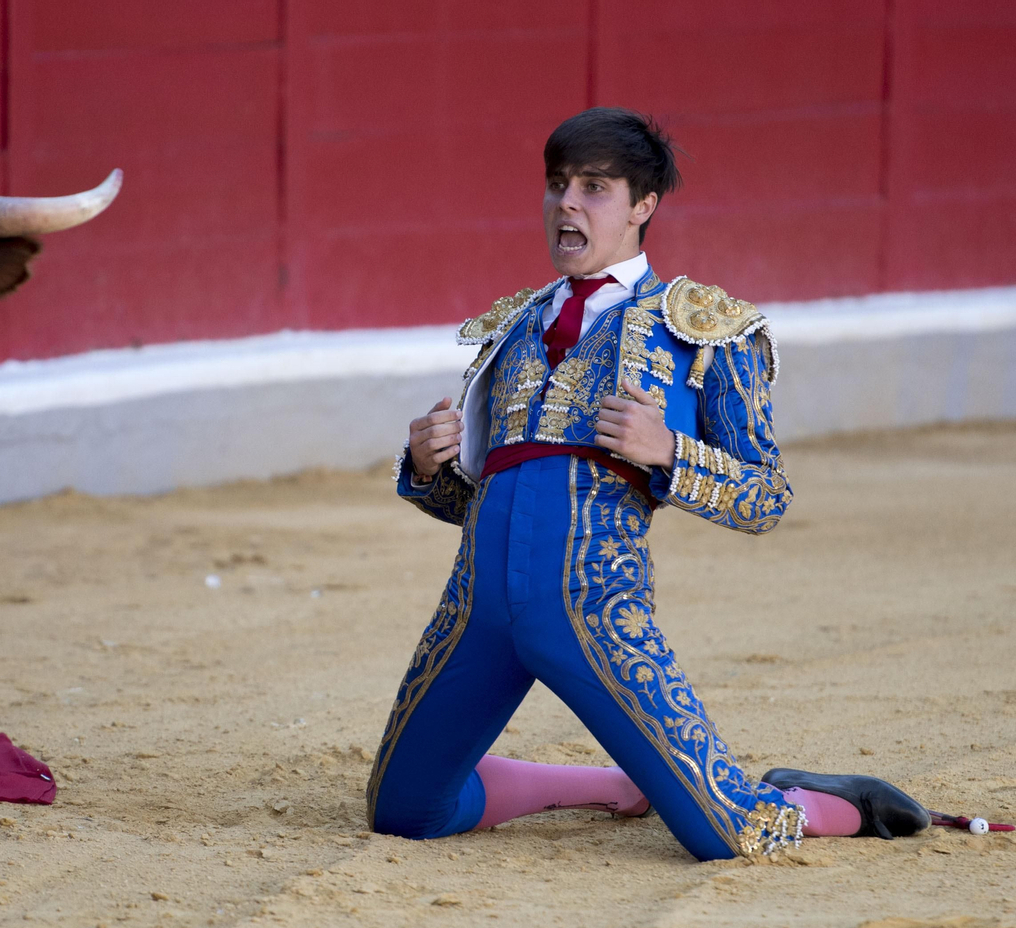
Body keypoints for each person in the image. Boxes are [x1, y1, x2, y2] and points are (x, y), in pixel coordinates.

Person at [369, 107, 930, 860]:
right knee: (405, 810)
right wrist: (427, 466)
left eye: (594, 187)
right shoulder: (510, 329)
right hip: (478, 605)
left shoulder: (705, 329)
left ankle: (835, 804)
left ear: (643, 205)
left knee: (728, 833)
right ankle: (616, 785)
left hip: (594, 605)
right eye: (558, 184)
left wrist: (669, 451)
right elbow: (480, 502)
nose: (567, 203)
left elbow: (766, 495)